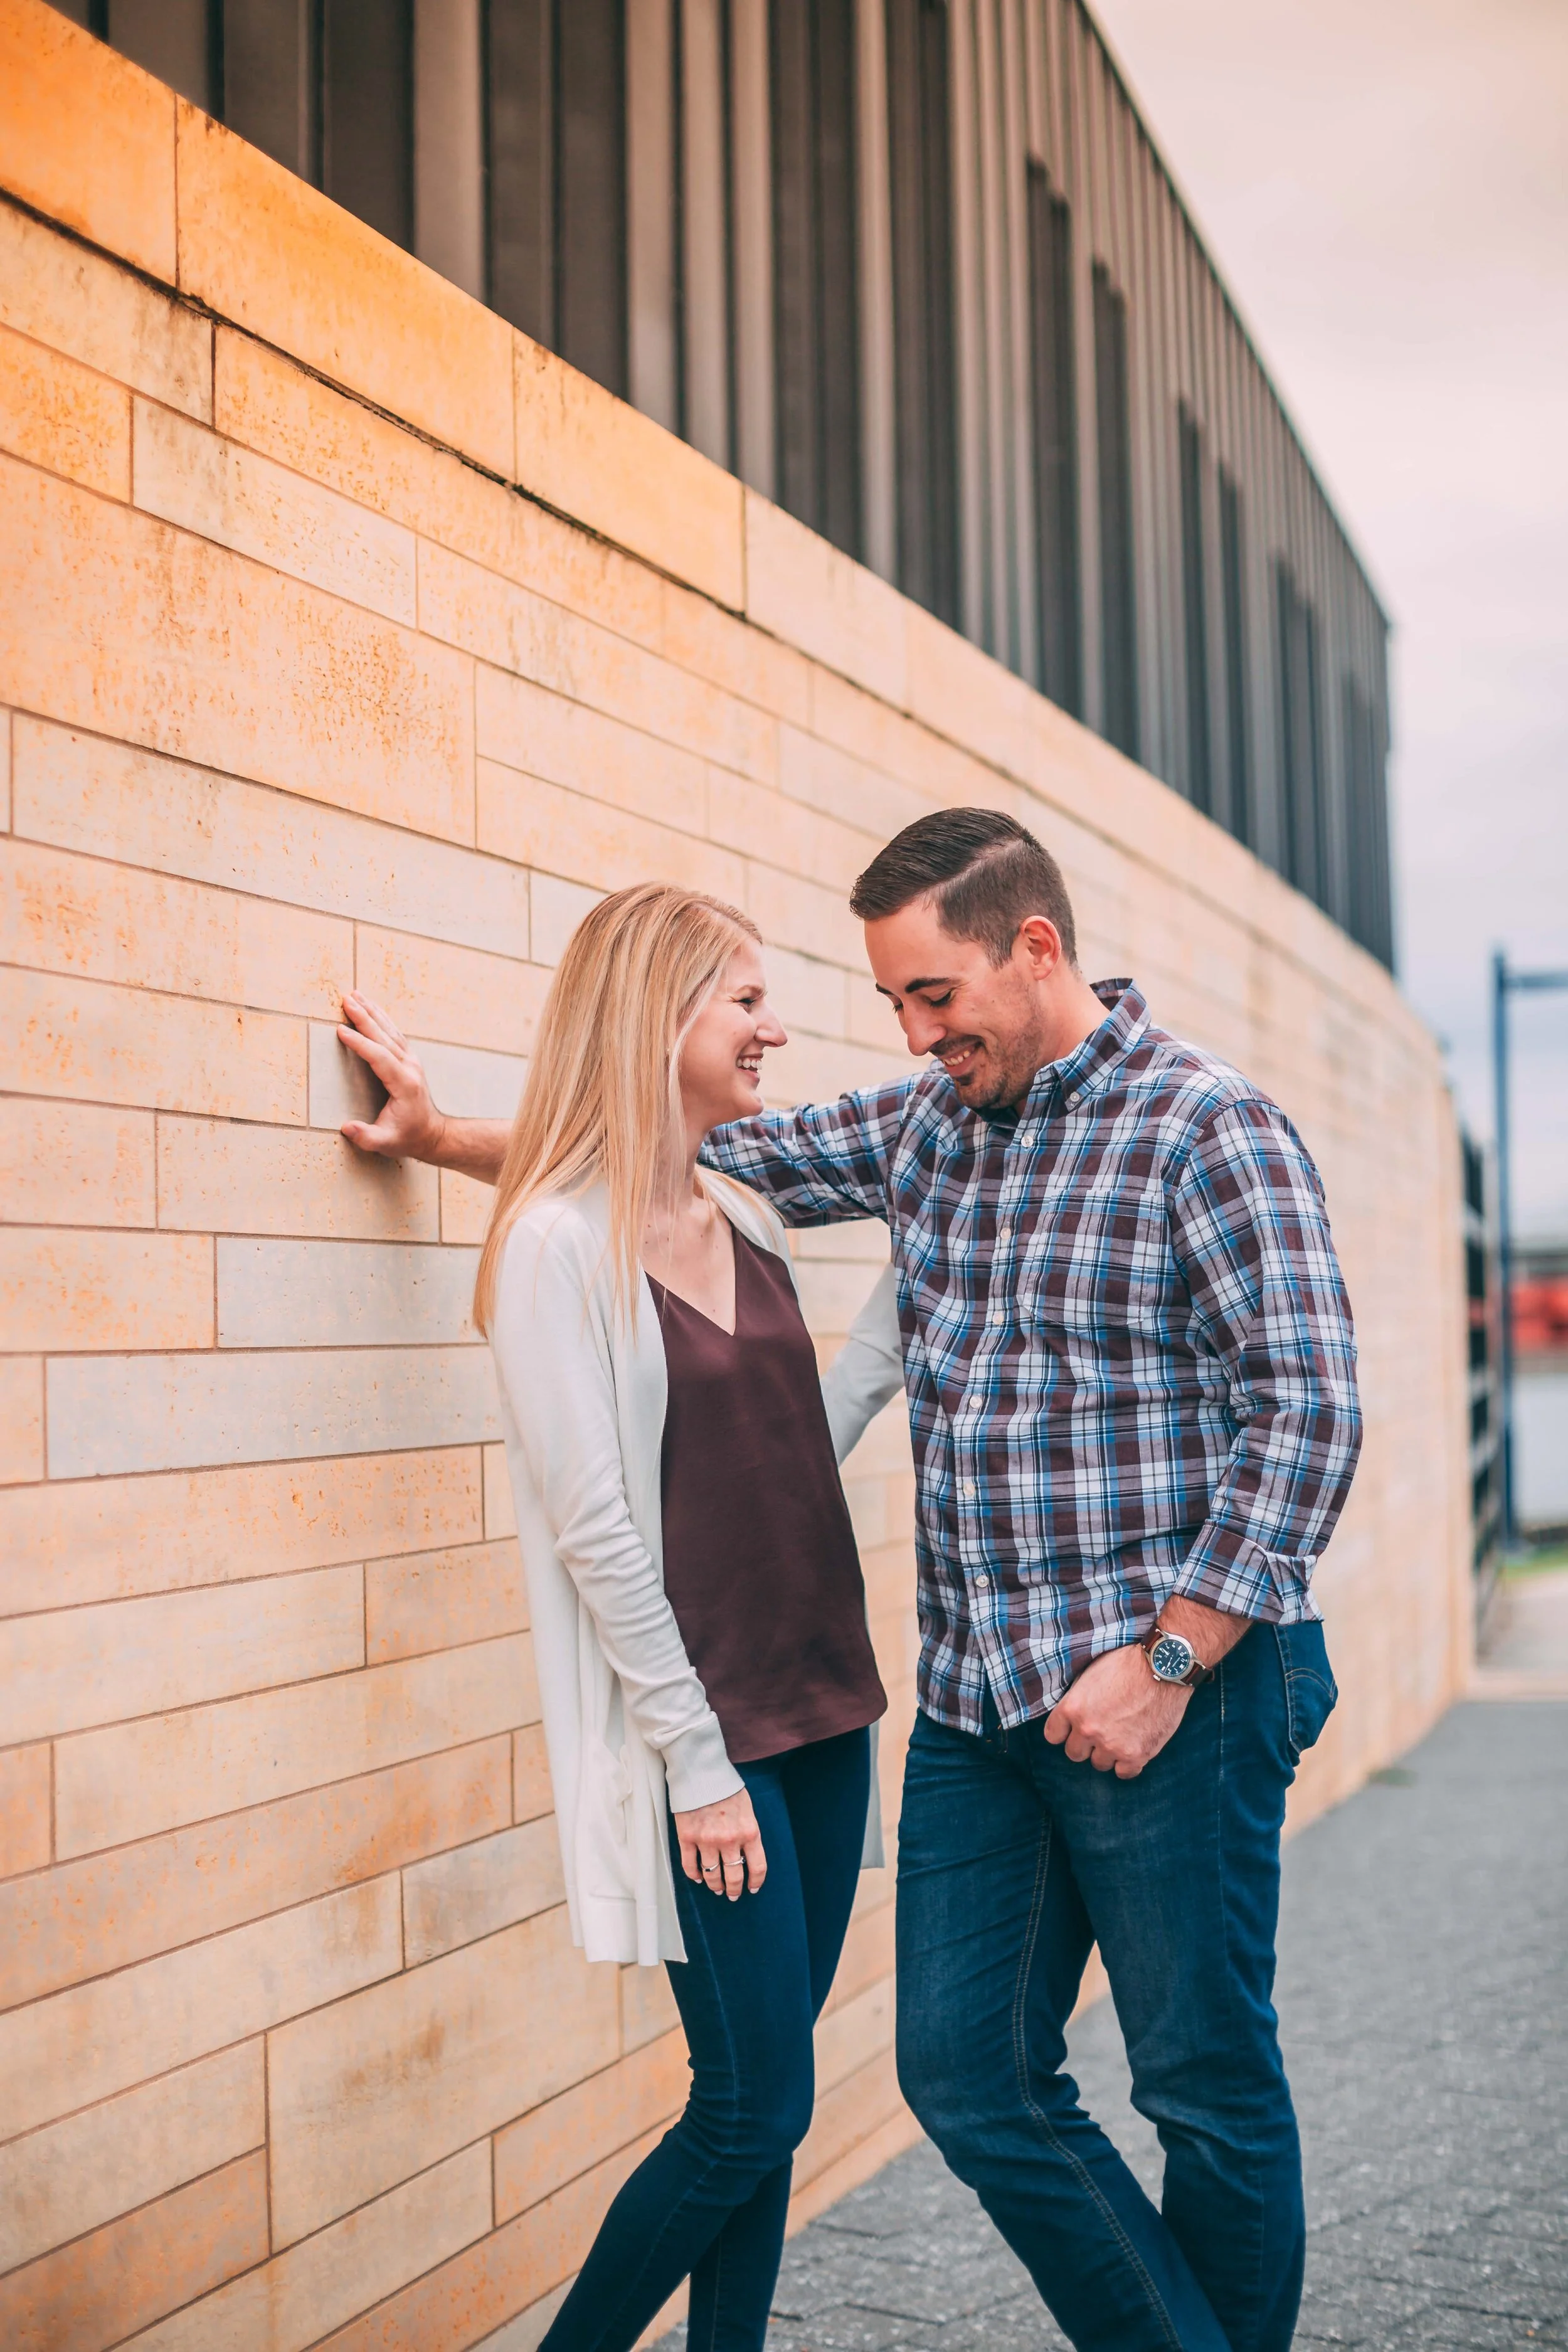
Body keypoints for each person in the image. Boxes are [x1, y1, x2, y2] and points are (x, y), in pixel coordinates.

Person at [339, 808, 1363, 2352]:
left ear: (1033, 949)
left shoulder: (1202, 1127)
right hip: (969, 1708)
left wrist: (1169, 1658)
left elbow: (1309, 1408)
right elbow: (641, 1142)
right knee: (957, 2076)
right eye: (892, 1002)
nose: (906, 1032)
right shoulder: (923, 1127)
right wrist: (439, 1140)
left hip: (1173, 1692)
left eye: (931, 996)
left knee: (1200, 2089)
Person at [455, 882, 894, 2352]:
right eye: (745, 1000)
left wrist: (896, 1330)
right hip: (703, 1748)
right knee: (752, 2103)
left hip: (827, 1712)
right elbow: (594, 1528)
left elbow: (782, 1450)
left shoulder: (744, 1207)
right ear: (656, 1015)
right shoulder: (554, 1249)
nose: (776, 1028)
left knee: (764, 2102)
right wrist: (695, 1767)